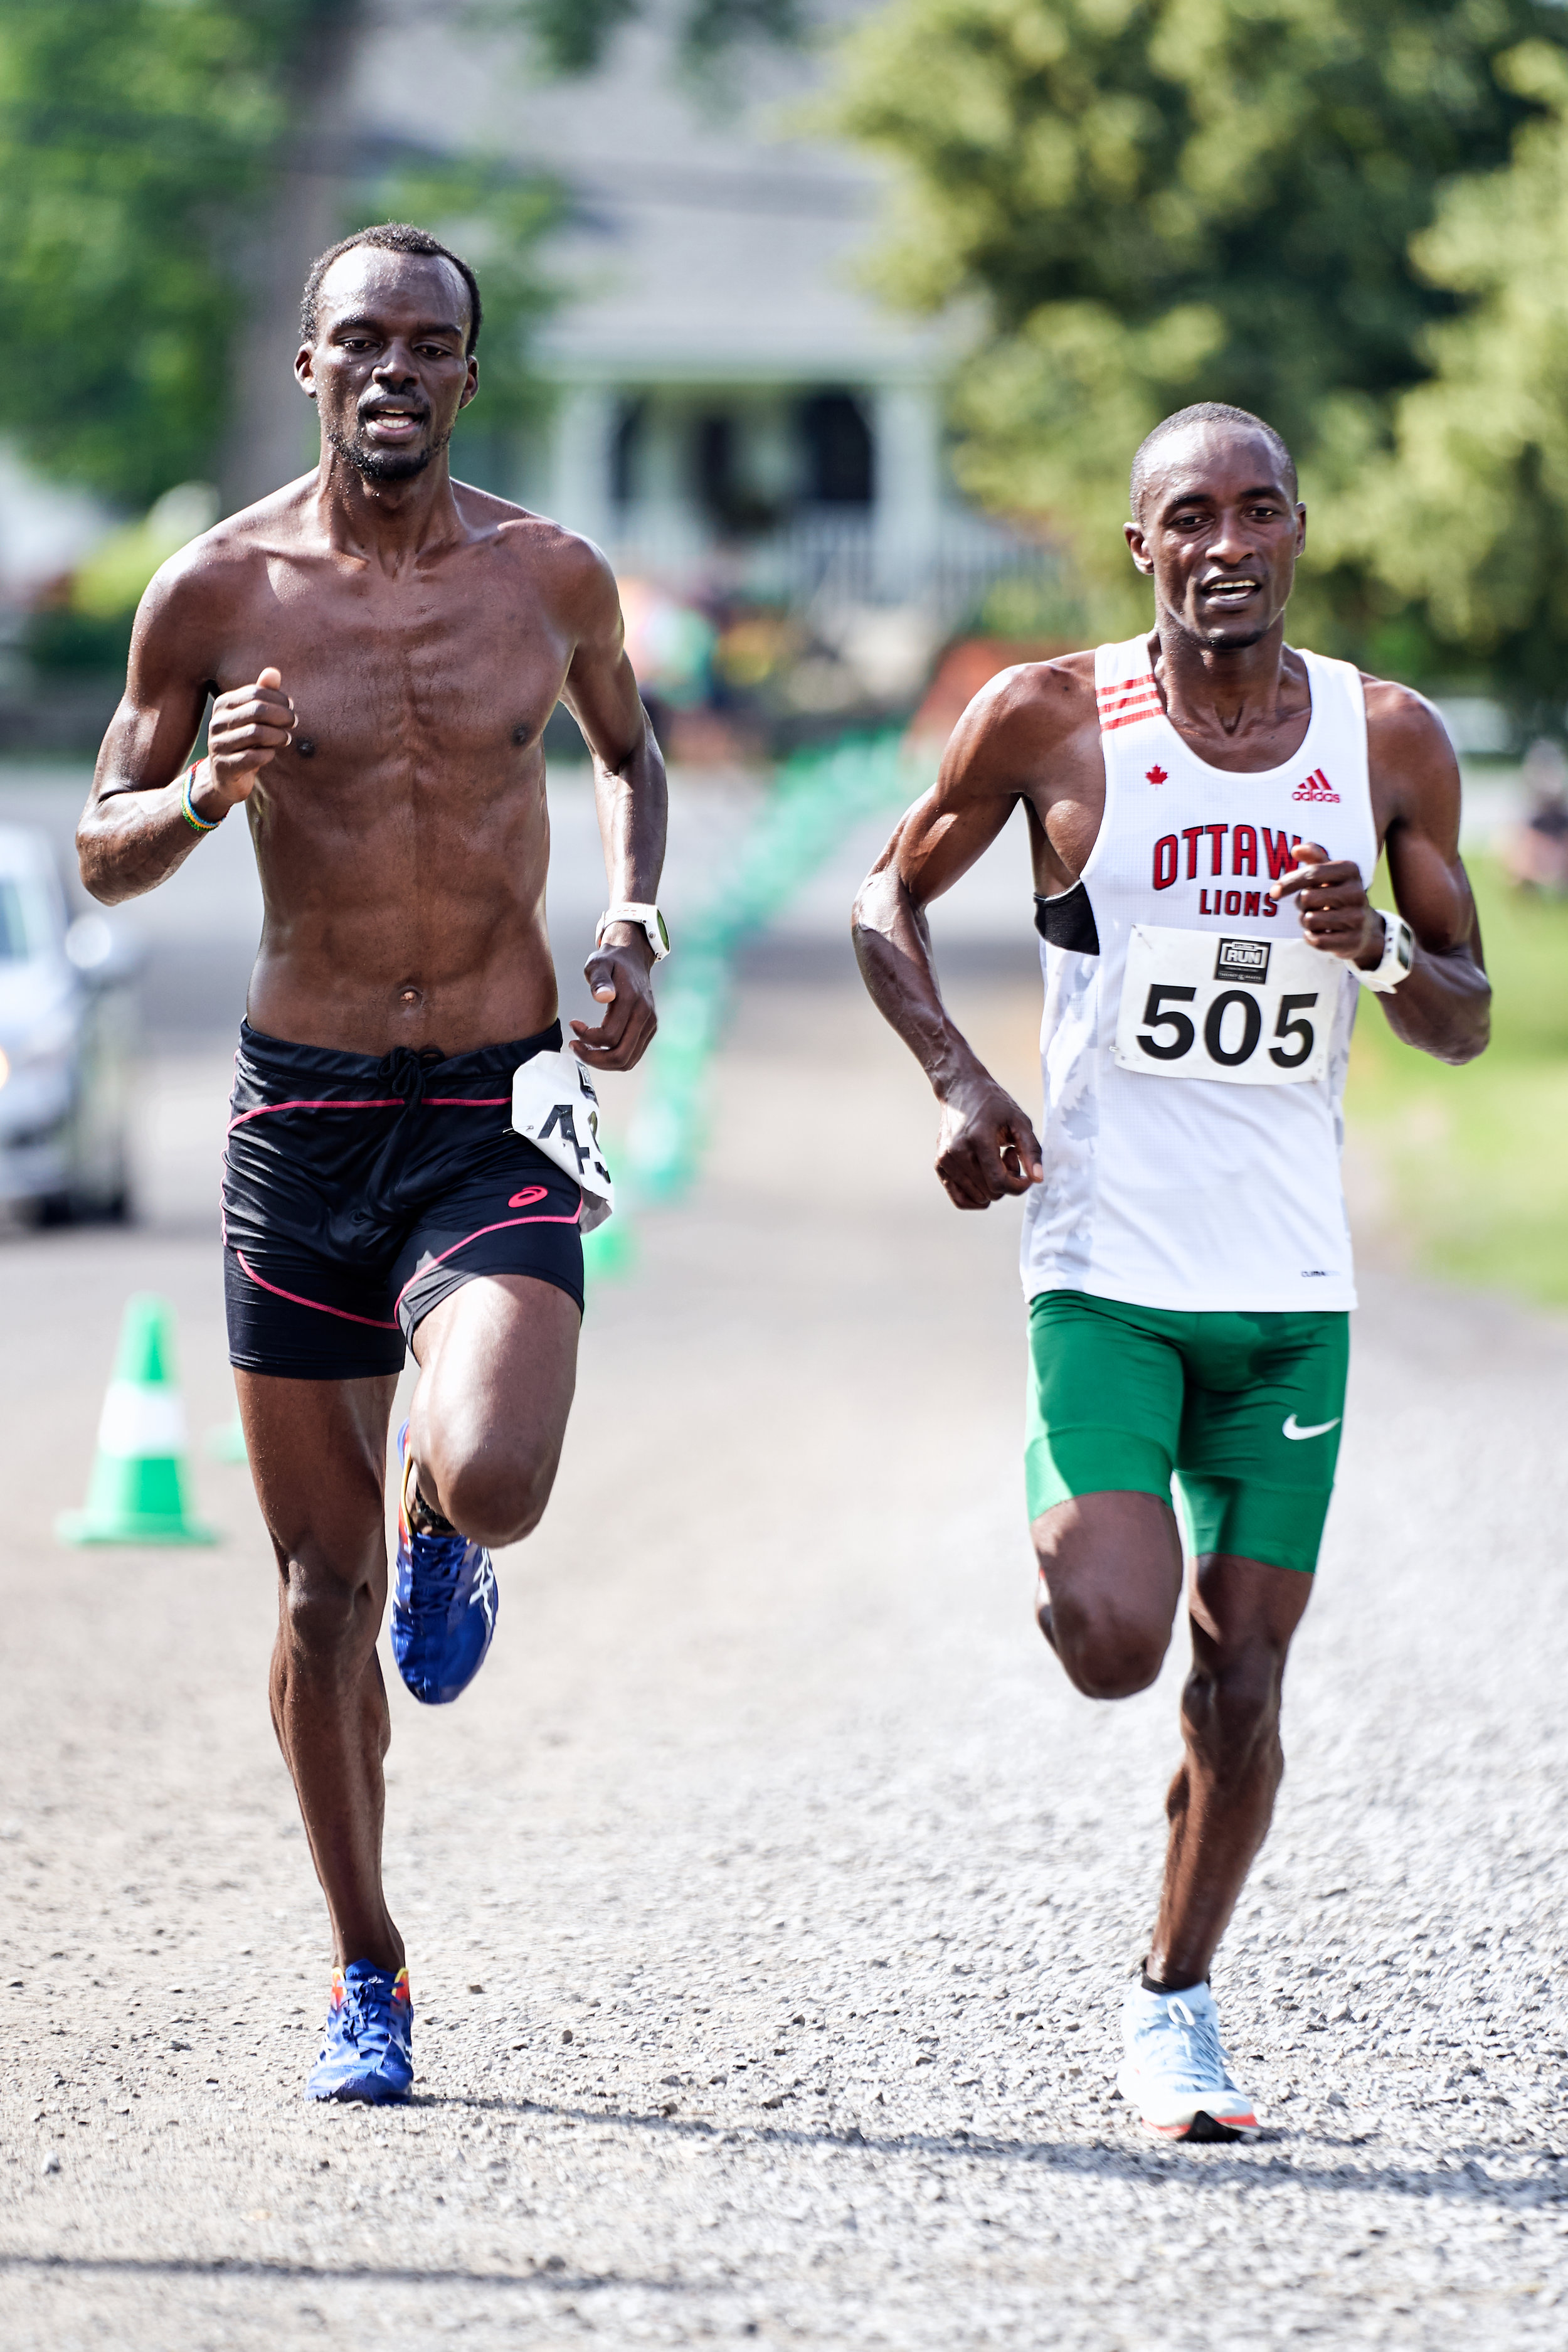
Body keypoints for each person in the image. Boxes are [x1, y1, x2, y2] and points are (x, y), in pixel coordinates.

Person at [77, 223, 669, 2104]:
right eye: (359, 342)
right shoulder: (214, 593)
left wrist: (636, 917)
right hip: (300, 1117)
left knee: (489, 1475)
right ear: (314, 371)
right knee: (315, 1602)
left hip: (494, 1097)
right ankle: (368, 1970)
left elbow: (627, 755)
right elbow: (100, 846)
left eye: (429, 342)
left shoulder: (548, 577)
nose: (393, 368)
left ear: (466, 378)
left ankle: (445, 1530)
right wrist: (203, 790)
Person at [852, 402, 1489, 2141]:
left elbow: (1463, 1016)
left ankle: (1175, 2007)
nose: (1226, 546)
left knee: (1244, 1680)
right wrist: (961, 1081)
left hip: (1289, 1297)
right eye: (1188, 519)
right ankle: (1077, 1507)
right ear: (1138, 546)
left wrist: (1373, 952)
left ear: (1298, 530)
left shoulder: (1387, 742)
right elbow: (877, 904)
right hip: (1107, 1270)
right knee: (1114, 1641)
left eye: (1257, 512)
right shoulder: (1054, 718)